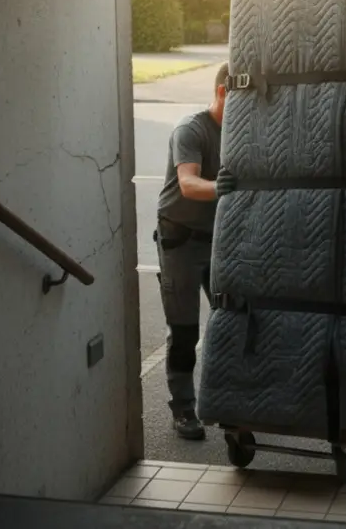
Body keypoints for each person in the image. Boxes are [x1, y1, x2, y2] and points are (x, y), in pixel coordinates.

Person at [154, 62, 229, 441]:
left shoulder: (241, 132)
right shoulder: (192, 129)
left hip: (219, 239)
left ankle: (233, 402)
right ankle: (183, 408)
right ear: (222, 92)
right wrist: (222, 187)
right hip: (180, 240)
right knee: (184, 331)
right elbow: (188, 183)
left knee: (233, 321)